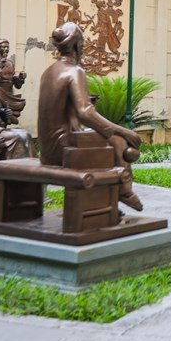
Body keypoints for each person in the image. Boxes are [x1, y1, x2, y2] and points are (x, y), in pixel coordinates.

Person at [37, 22, 143, 211]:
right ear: (77, 46)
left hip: (47, 150)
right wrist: (124, 131)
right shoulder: (74, 71)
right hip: (64, 148)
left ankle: (106, 201)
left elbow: (66, 108)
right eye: (82, 43)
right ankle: (123, 190)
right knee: (118, 142)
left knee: (110, 141)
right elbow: (85, 113)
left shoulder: (48, 72)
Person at [0, 39, 26, 125]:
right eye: (3, 47)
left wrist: (20, 78)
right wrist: (0, 65)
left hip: (9, 92)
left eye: (7, 47)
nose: (6, 49)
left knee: (19, 105)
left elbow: (17, 85)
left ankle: (4, 126)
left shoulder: (11, 63)